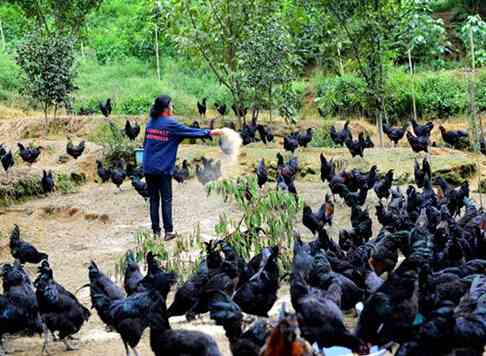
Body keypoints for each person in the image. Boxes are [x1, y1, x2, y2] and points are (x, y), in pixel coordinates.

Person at [143, 95, 223, 240]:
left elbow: (145, 144)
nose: (173, 108)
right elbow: (190, 131)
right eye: (171, 105)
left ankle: (155, 232)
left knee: (154, 200)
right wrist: (210, 132)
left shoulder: (150, 123)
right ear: (166, 109)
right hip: (162, 169)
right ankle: (168, 232)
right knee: (166, 199)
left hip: (148, 167)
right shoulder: (170, 124)